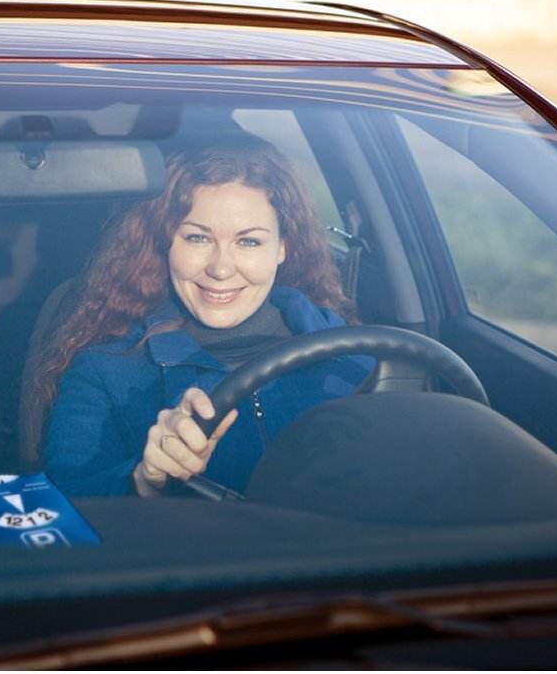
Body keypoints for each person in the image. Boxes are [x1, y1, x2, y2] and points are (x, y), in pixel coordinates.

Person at [32, 132, 372, 497]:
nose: (221, 268)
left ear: (282, 247)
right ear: (165, 241)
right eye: (198, 238)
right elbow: (63, 504)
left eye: (249, 241)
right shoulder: (104, 370)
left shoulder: (354, 357)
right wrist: (143, 479)